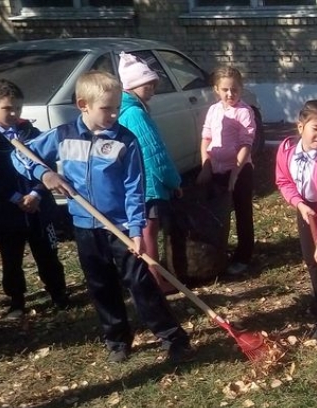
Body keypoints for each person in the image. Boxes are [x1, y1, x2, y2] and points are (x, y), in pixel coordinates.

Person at [12, 71, 193, 363]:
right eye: (106, 108)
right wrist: (43, 173)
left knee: (141, 283)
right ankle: (117, 339)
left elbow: (135, 189)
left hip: (121, 226)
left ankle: (172, 336)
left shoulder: (125, 141)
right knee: (100, 285)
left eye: (117, 107)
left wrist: (137, 229)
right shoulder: (64, 135)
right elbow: (20, 157)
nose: (113, 114)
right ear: (83, 104)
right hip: (85, 226)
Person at [0, 78, 68, 320]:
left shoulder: (30, 132)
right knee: (11, 258)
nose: (14, 113)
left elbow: (45, 163)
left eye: (18, 107)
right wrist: (15, 197)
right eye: (7, 108)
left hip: (39, 207)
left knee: (48, 252)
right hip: (7, 212)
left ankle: (59, 294)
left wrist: (37, 192)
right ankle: (17, 301)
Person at [274, 100, 317, 343]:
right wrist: (298, 203)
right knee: (311, 260)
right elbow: (283, 181)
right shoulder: (286, 150)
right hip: (304, 207)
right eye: (316, 128)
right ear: (301, 126)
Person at [117, 52, 181, 295]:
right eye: (148, 85)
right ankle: (155, 281)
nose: (152, 89)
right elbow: (154, 153)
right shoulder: (136, 114)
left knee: (143, 233)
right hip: (149, 185)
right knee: (148, 234)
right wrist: (173, 180)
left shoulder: (129, 110)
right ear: (133, 86)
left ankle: (149, 278)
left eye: (153, 84)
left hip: (138, 183)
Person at [197, 66, 256, 276]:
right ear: (216, 89)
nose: (230, 94)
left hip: (240, 171)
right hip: (217, 170)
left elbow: (245, 144)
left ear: (241, 89)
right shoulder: (214, 110)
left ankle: (244, 255)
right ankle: (218, 251)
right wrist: (206, 165)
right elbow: (206, 138)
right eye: (225, 90)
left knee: (242, 212)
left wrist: (235, 174)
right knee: (218, 212)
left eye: (234, 90)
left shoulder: (244, 112)